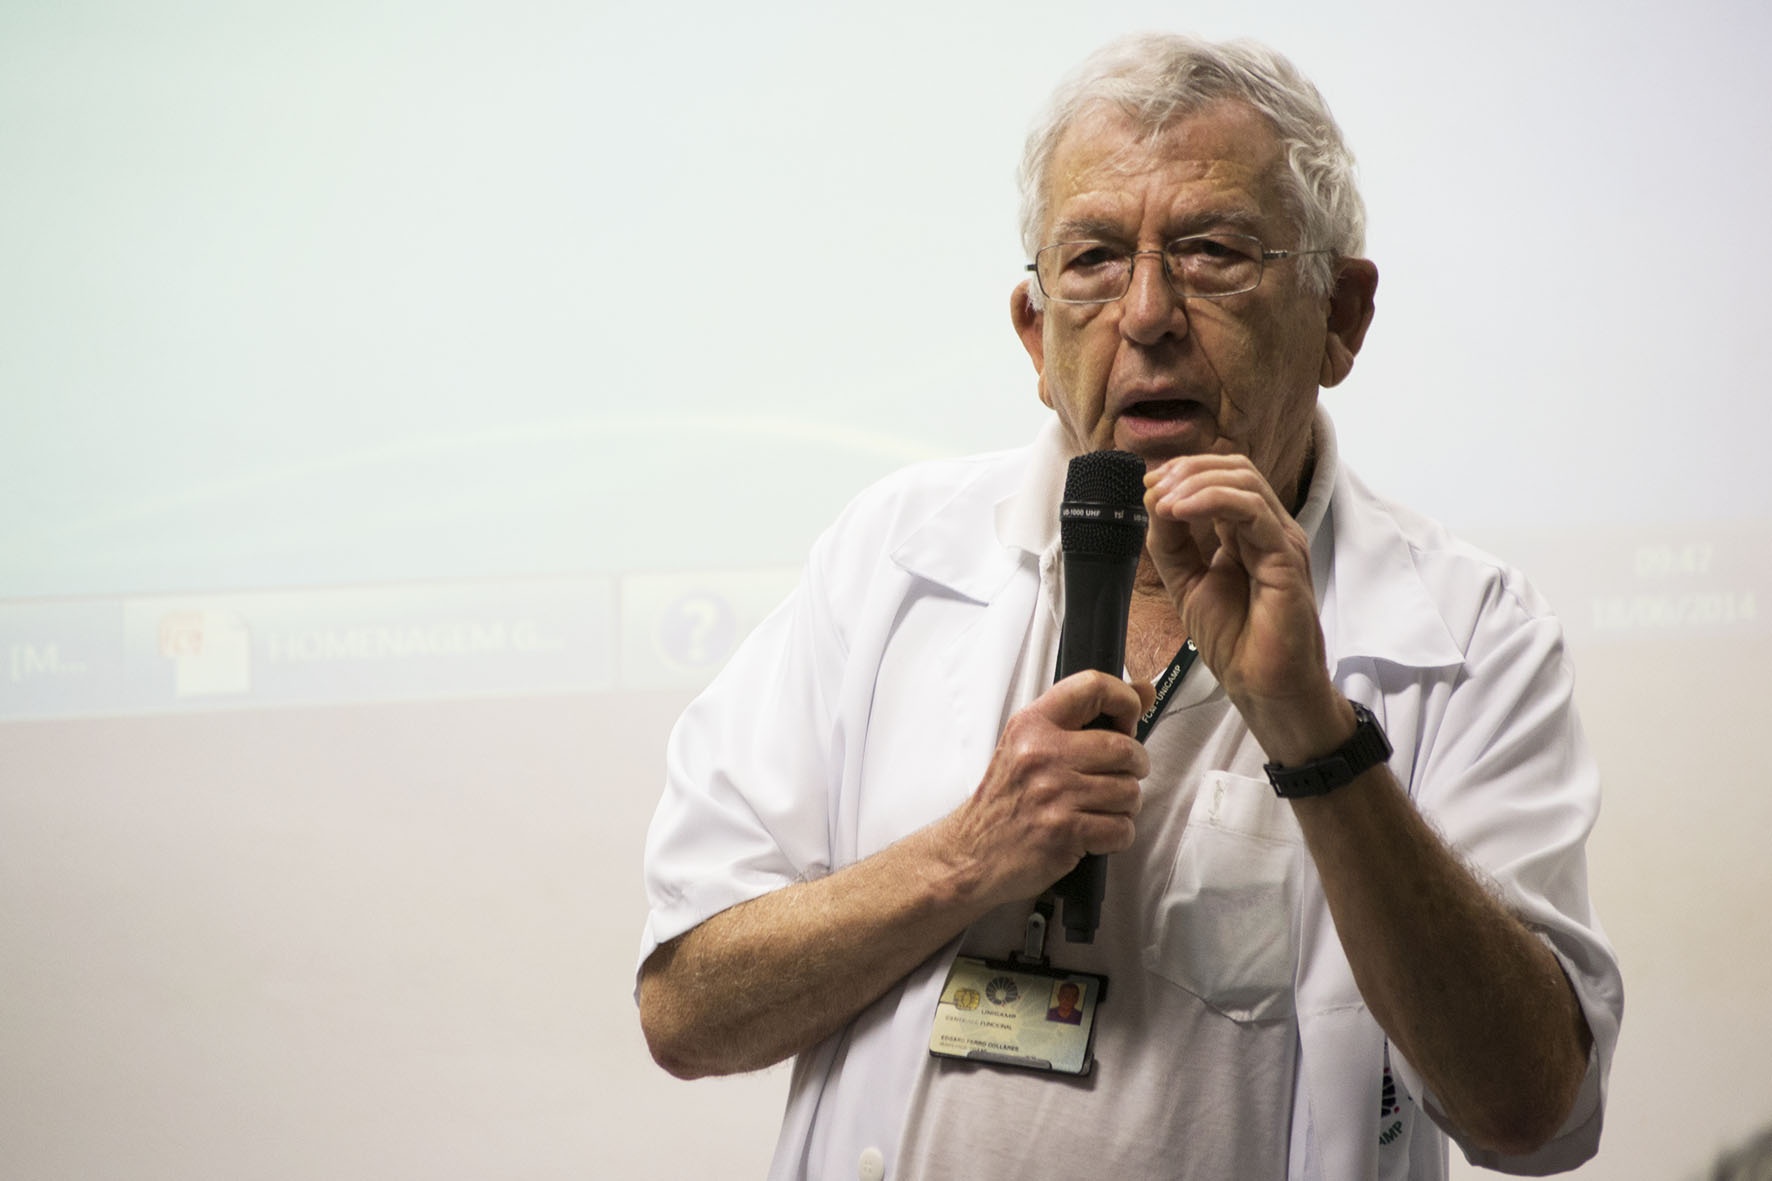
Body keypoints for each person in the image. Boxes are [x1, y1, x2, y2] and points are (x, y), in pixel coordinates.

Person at [636, 31, 1623, 1181]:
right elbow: (686, 1009)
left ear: (1339, 316)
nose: (1145, 313)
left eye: (1209, 252)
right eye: (1094, 258)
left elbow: (1529, 1112)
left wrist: (1314, 736)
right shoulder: (887, 559)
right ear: (1033, 334)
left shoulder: (1467, 629)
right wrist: (966, 855)